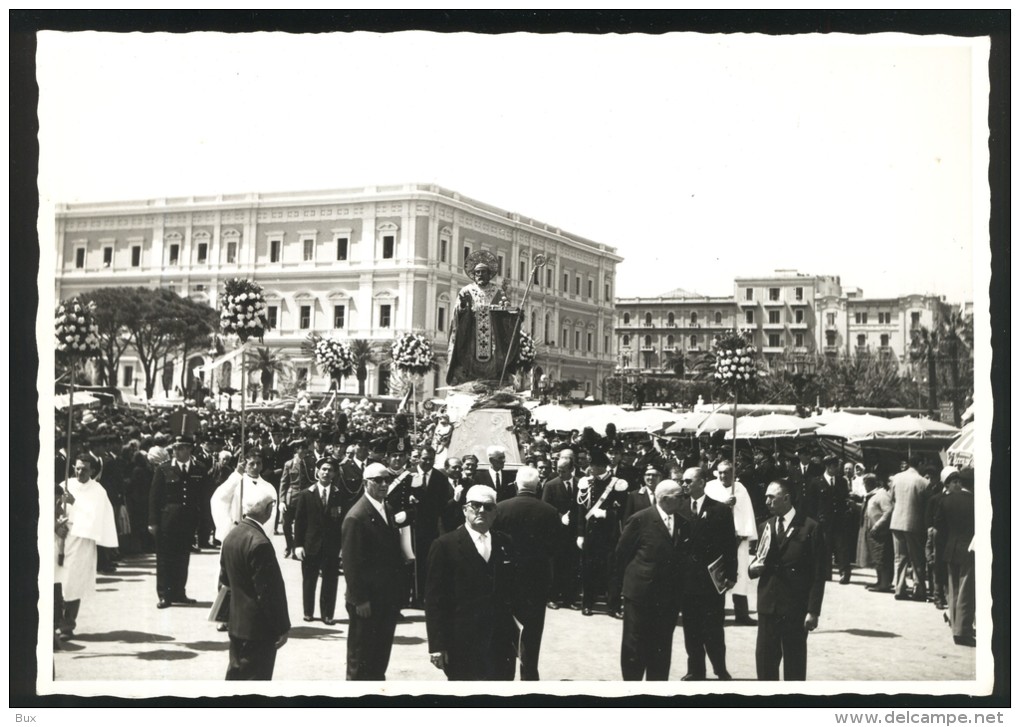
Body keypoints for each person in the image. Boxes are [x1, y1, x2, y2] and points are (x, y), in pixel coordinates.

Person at [425, 485, 518, 681]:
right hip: (461, 643)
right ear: (465, 510)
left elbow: (514, 593)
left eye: (488, 507)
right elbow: (434, 600)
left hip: (499, 643)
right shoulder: (444, 545)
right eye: (476, 505)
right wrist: (437, 645)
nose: (482, 511)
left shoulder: (506, 542)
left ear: (495, 513)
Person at [750, 479, 828, 681]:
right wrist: (752, 568)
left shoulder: (810, 527)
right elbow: (756, 561)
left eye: (771, 497)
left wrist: (813, 611)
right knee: (765, 663)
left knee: (794, 665)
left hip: (795, 607)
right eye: (766, 496)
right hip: (768, 606)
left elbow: (818, 575)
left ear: (786, 498)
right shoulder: (764, 527)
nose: (766, 501)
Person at [341, 462, 408, 679]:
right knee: (361, 659)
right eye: (377, 480)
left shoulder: (385, 508)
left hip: (385, 598)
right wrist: (360, 599)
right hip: (366, 602)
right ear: (365, 483)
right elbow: (351, 564)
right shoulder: (356, 517)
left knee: (379, 658)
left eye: (386, 479)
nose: (383, 484)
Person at [493, 466, 560, 680]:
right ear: (538, 485)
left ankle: (505, 674)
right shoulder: (549, 511)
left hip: (506, 579)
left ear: (516, 484)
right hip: (536, 581)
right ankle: (529, 675)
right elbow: (555, 549)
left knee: (506, 630)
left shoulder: (501, 508)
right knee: (532, 631)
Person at [614, 480, 685, 681]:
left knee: (662, 648)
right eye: (679, 496)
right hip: (640, 596)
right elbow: (621, 555)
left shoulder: (684, 522)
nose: (683, 500)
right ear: (664, 499)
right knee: (635, 647)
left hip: (668, 598)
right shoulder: (640, 520)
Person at [219, 488, 290, 680]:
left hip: (237, 624)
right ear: (268, 509)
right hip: (258, 629)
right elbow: (269, 593)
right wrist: (282, 627)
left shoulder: (231, 536)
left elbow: (224, 583)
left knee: (236, 677)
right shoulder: (260, 543)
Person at [676, 467, 737, 681]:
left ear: (701, 483)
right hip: (686, 580)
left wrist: (732, 574)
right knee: (690, 628)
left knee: (713, 628)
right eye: (683, 481)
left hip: (711, 581)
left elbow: (730, 545)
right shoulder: (679, 508)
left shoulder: (719, 510)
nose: (684, 485)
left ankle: (720, 668)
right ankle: (695, 670)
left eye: (688, 481)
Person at [54, 455, 119, 640]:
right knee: (57, 579)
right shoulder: (66, 484)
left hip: (82, 538)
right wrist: (57, 523)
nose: (80, 472)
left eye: (84, 469)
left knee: (72, 581)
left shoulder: (98, 491)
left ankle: (67, 625)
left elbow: (96, 518)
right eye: (77, 468)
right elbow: (53, 506)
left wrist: (75, 503)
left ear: (92, 471)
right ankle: (56, 621)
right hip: (61, 536)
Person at [149, 435, 209, 609]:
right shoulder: (163, 469)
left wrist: (204, 523)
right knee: (165, 558)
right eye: (175, 448)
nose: (176, 451)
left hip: (188, 521)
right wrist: (153, 521)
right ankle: (164, 595)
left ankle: (179, 592)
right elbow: (154, 497)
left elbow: (204, 496)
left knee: (183, 558)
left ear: (190, 449)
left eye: (181, 448)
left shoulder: (199, 468)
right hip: (166, 520)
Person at [446, 250, 514, 386]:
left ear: (490, 274)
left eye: (483, 272)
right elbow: (457, 312)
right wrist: (463, 309)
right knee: (468, 353)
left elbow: (506, 313)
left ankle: (495, 379)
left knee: (497, 356)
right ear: (473, 275)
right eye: (477, 272)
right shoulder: (466, 291)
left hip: (493, 335)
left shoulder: (498, 292)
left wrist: (506, 308)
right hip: (472, 332)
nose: (480, 275)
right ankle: (468, 379)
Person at [576, 448, 629, 617]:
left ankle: (613, 607)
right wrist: (580, 534)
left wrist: (607, 514)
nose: (592, 468)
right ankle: (587, 604)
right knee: (589, 569)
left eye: (596, 465)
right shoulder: (586, 482)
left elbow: (623, 510)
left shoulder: (617, 484)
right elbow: (580, 511)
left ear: (604, 466)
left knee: (612, 571)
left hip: (610, 533)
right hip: (591, 533)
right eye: (591, 464)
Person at [292, 457, 345, 625]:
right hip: (310, 545)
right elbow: (299, 522)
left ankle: (327, 614)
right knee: (309, 579)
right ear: (317, 471)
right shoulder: (306, 494)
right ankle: (308, 612)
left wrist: (343, 547)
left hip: (332, 546)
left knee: (330, 580)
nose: (326, 473)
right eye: (323, 469)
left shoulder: (339, 495)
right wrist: (298, 545)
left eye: (330, 470)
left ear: (334, 473)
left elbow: (343, 524)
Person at [705, 460, 759, 625]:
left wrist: (743, 535)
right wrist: (723, 505)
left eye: (727, 472)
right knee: (716, 576)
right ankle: (715, 614)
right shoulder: (710, 487)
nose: (723, 476)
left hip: (737, 538)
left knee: (740, 576)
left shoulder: (740, 489)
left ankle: (742, 614)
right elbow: (705, 511)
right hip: (716, 539)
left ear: (733, 474)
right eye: (720, 472)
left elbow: (747, 513)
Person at [934, 467, 975, 647]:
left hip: (950, 548)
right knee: (966, 591)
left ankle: (955, 626)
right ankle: (962, 631)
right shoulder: (975, 501)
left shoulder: (945, 501)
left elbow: (939, 528)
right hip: (968, 549)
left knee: (954, 590)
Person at [409, 445, 454, 605]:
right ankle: (409, 596)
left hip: (430, 527)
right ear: (418, 458)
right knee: (411, 563)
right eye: (424, 458)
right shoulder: (409, 474)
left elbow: (443, 504)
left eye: (431, 459)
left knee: (427, 562)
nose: (427, 462)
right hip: (411, 526)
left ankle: (422, 596)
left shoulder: (440, 477)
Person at [210, 451, 278, 547]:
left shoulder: (269, 488)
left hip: (259, 535)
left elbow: (271, 516)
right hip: (237, 532)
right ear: (245, 465)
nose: (255, 467)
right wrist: (237, 474)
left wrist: (263, 536)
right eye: (251, 464)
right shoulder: (236, 483)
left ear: (262, 465)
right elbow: (219, 498)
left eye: (258, 463)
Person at [888, 454, 930, 601]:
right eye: (924, 463)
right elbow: (927, 504)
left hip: (897, 521)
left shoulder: (896, 478)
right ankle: (918, 590)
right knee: (917, 558)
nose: (925, 466)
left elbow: (891, 498)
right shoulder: (923, 482)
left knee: (899, 558)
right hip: (914, 523)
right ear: (920, 463)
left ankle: (899, 588)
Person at [542, 455, 581, 609]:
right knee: (556, 566)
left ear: (572, 469)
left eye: (564, 471)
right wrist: (559, 516)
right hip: (557, 532)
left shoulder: (580, 484)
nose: (560, 474)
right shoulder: (551, 485)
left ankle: (569, 599)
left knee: (572, 566)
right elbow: (545, 507)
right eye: (558, 470)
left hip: (575, 532)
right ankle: (552, 597)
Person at [812, 454, 854, 584]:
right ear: (829, 467)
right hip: (824, 521)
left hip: (840, 520)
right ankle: (826, 573)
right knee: (825, 547)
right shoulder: (816, 482)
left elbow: (844, 499)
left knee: (842, 548)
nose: (838, 469)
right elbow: (812, 504)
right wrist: (816, 519)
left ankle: (845, 573)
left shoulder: (842, 481)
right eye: (836, 467)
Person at [279, 440, 314, 558]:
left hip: (304, 498)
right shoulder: (289, 464)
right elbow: (284, 483)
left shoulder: (309, 463)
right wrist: (282, 501)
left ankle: (298, 547)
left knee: (301, 524)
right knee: (286, 525)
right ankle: (289, 546)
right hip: (291, 498)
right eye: (301, 448)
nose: (304, 450)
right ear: (296, 449)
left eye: (305, 448)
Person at [861, 473, 895, 592]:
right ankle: (880, 581)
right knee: (876, 557)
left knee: (882, 557)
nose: (865, 486)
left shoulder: (881, 495)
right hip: (872, 531)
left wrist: (877, 526)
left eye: (866, 483)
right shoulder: (872, 495)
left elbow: (888, 511)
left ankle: (885, 583)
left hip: (880, 532)